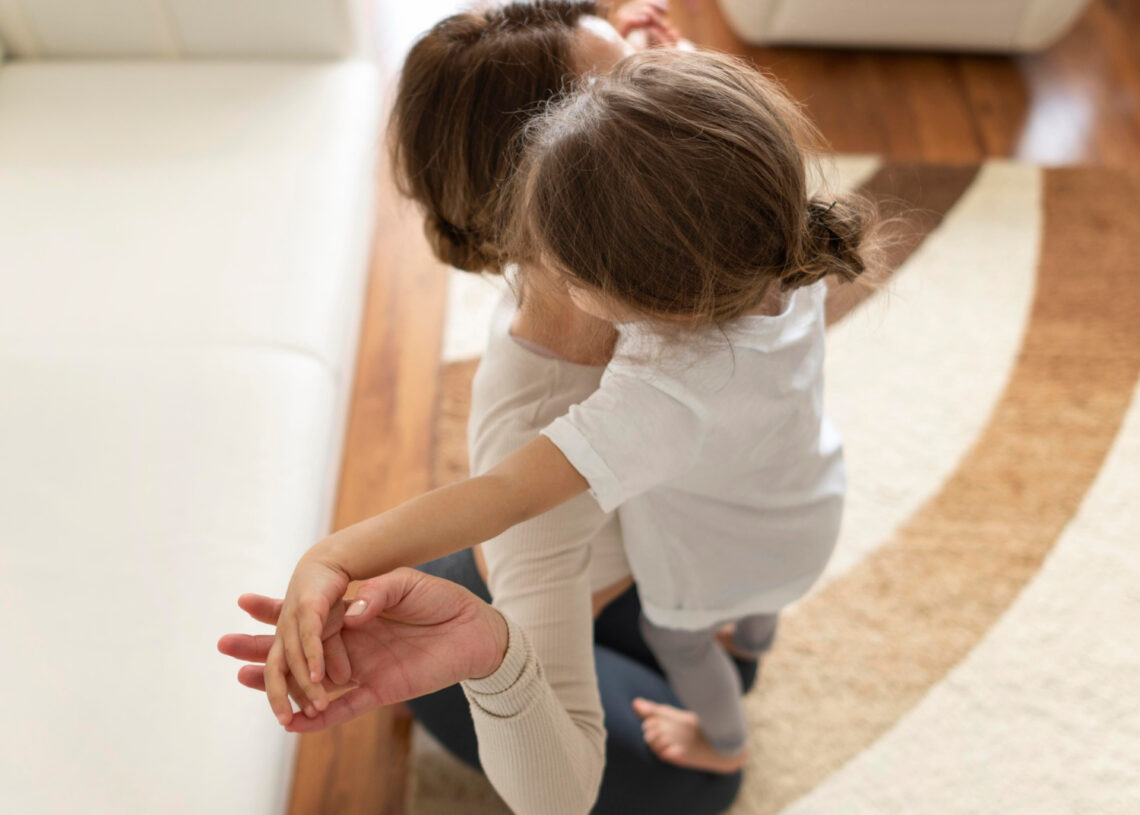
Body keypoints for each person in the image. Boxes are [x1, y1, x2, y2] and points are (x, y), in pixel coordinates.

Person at [256, 40, 872, 787]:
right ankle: (747, 645)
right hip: (808, 512)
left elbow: (506, 493)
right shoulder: (773, 240)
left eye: (574, 276)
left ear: (646, 299)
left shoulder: (662, 390)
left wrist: (339, 552)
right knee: (748, 627)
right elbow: (692, 135)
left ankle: (727, 740)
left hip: (710, 564)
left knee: (684, 656)